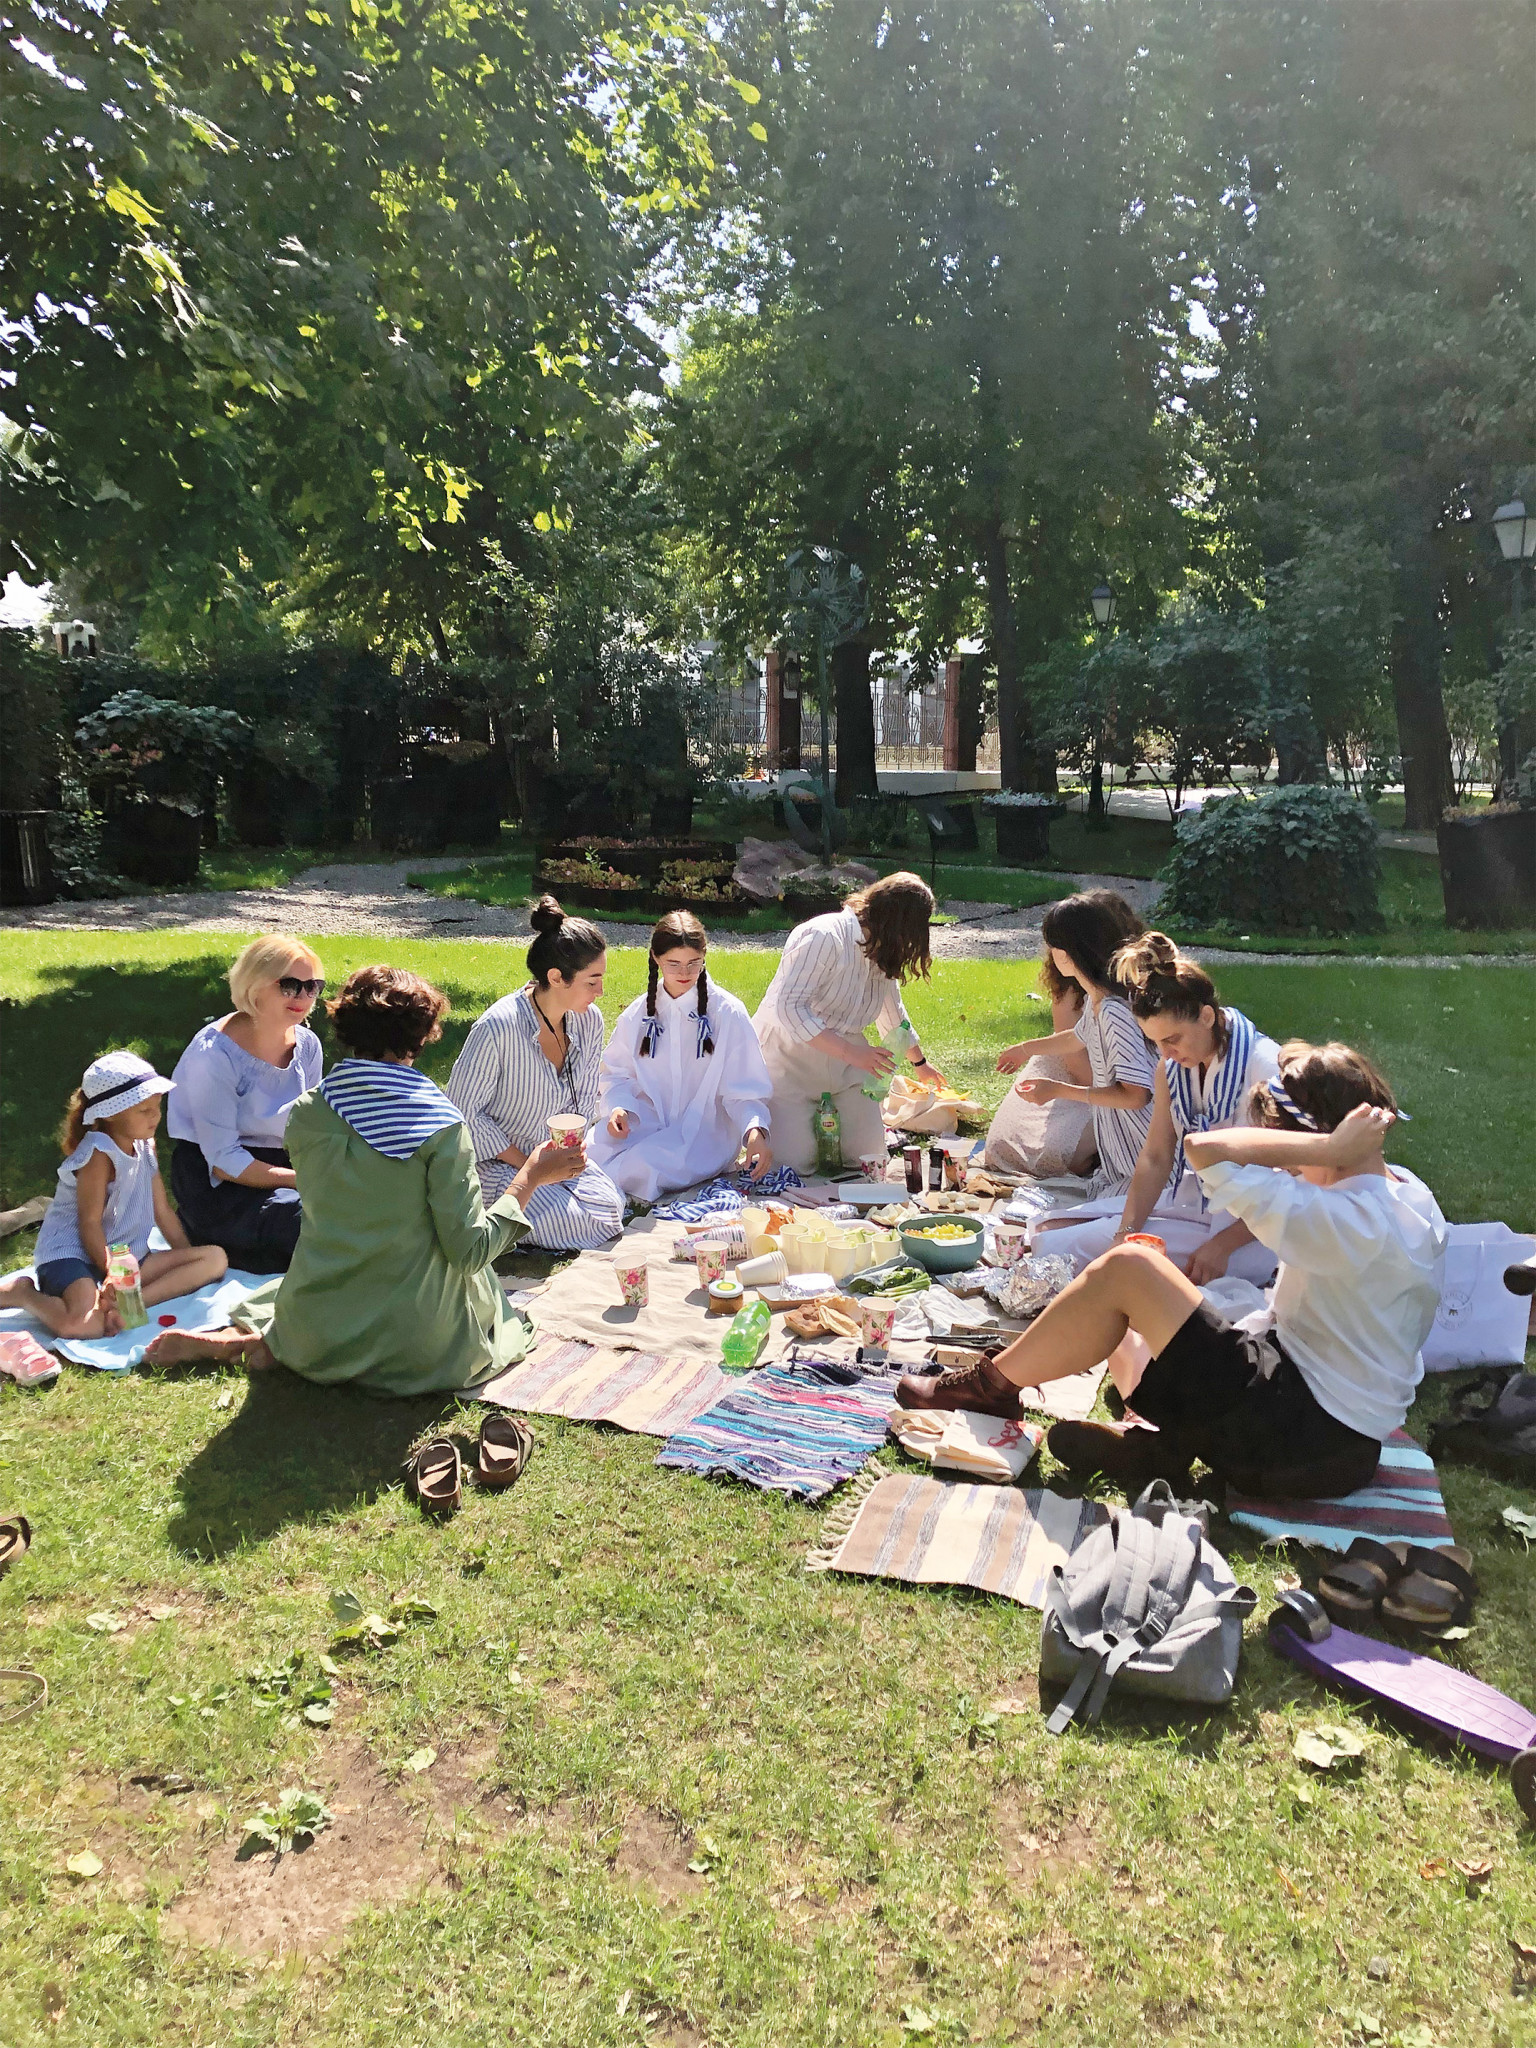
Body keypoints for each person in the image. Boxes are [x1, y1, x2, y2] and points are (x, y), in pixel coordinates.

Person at [899, 1041, 1447, 1502]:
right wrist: (1331, 1148)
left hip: (1297, 1438)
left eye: (1291, 1152)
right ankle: (1160, 1447)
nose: (1285, 1167)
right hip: (1340, 1439)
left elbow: (1205, 1150)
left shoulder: (1341, 1217)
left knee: (1130, 1268)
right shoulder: (1407, 1192)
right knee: (1120, 1314)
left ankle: (991, 1388)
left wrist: (1325, 1146)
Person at [144, 967, 583, 1395]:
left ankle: (264, 1342)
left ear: (346, 1027)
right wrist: (530, 1176)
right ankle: (269, 1344)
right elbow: (469, 1251)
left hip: (317, 1323)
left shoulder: (309, 1111)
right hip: (419, 1345)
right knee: (490, 1301)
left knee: (295, 1290)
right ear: (422, 1036)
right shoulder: (442, 1127)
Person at [1032, 933, 1282, 1287]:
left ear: (1206, 1016)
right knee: (1048, 1233)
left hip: (1252, 1231)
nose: (1166, 1054)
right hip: (1194, 1202)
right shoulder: (1172, 1069)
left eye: (1172, 1040)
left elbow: (1293, 1181)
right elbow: (1156, 1157)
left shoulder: (1265, 1066)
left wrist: (1222, 1246)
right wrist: (1126, 1232)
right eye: (1156, 1043)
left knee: (1067, 1253)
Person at [0, 1052, 227, 1339]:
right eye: (144, 1110)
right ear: (110, 1113)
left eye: (157, 1107)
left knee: (214, 1258)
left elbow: (162, 1210)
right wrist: (113, 1273)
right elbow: (89, 1223)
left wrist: (183, 1255)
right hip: (73, 1255)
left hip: (125, 1254)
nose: (155, 1116)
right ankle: (23, 1293)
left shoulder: (145, 1145)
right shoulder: (99, 1154)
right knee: (85, 1326)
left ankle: (129, 1304)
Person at [444, 898, 624, 1250]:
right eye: (592, 982)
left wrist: (564, 1159)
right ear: (556, 977)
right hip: (498, 1165)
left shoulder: (589, 1021)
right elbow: (462, 1115)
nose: (601, 992)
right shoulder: (497, 1028)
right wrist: (531, 1167)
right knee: (579, 1221)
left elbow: (585, 1099)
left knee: (610, 1206)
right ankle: (499, 1216)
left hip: (555, 1157)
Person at [752, 872, 946, 1175]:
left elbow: (892, 1013)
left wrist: (920, 1064)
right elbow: (789, 1008)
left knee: (867, 1158)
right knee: (795, 1164)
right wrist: (852, 1053)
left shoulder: (883, 948)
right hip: (789, 1055)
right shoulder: (823, 936)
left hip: (847, 1061)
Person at [588, 911, 774, 1202]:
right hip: (646, 1120)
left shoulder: (727, 1012)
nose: (684, 973)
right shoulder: (639, 1013)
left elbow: (744, 1087)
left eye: (693, 963)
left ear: (704, 957)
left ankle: (599, 1199)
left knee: (643, 1166)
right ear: (656, 958)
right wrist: (619, 1108)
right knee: (589, 1153)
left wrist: (754, 1131)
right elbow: (617, 1072)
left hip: (702, 1131)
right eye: (673, 964)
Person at [167, 935, 325, 1272]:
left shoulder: (308, 1046)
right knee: (310, 1222)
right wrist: (304, 1180)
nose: (303, 997)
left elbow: (309, 1125)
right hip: (219, 1181)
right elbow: (224, 1161)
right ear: (254, 986)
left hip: (281, 1167)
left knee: (346, 1210)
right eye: (290, 985)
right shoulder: (214, 1055)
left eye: (312, 987)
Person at [996, 890, 1154, 1197]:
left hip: (1142, 1160)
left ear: (1067, 954)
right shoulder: (1098, 1000)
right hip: (1123, 1162)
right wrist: (1025, 1049)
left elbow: (1136, 1096)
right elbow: (1076, 1037)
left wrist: (1058, 1090)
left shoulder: (1113, 1011)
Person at [981, 953, 1095, 1179]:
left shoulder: (1115, 998)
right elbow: (1073, 1042)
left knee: (1066, 1156)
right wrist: (1025, 1050)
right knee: (1004, 1148)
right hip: (1075, 1079)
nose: (1055, 954)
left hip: (1111, 1087)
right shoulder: (1071, 988)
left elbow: (1125, 1092)